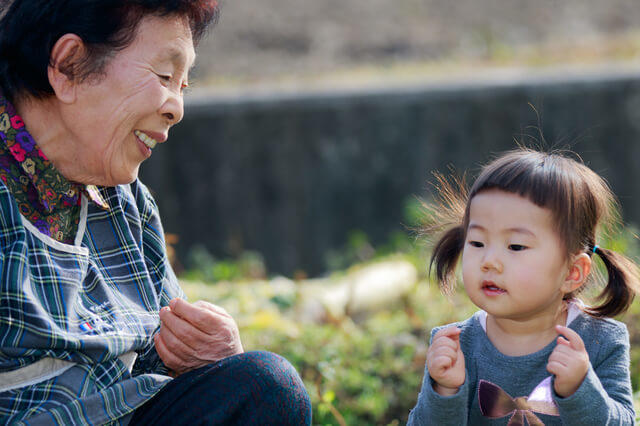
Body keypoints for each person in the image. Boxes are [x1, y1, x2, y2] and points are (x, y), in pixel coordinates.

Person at [0, 1, 311, 424]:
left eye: (183, 86)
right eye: (165, 76)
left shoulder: (126, 201)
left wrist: (211, 358)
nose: (176, 108)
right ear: (69, 65)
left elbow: (157, 359)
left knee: (263, 386)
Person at [407, 148, 639, 425]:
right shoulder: (457, 345)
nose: (489, 262)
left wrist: (580, 388)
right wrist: (444, 390)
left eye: (515, 246)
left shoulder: (601, 341)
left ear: (572, 272)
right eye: (477, 243)